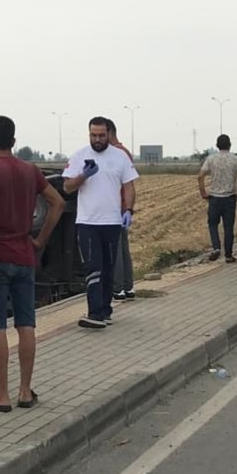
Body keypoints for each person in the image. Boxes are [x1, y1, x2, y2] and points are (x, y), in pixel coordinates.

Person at [0, 115, 65, 412]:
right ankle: (25, 391)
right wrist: (40, 240)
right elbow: (58, 203)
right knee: (26, 324)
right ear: (14, 140)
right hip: (24, 253)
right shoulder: (30, 170)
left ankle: (0, 394)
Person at [62, 117, 139, 329]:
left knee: (108, 266)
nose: (97, 139)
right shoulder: (79, 156)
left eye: (101, 135)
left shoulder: (119, 157)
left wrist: (129, 211)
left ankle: (105, 310)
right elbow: (67, 187)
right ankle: (94, 312)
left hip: (112, 222)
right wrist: (83, 176)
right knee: (93, 266)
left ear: (109, 134)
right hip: (87, 222)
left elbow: (129, 187)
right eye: (93, 135)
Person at [103, 118, 139, 301]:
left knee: (114, 250)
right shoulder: (125, 151)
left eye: (101, 135)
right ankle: (128, 286)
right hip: (123, 206)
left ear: (109, 133)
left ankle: (117, 288)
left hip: (115, 207)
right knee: (123, 249)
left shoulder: (115, 153)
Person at [198, 134, 237, 262]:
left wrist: (203, 192)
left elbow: (200, 176)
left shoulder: (211, 159)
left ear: (217, 145)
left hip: (214, 197)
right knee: (228, 227)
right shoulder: (236, 160)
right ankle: (229, 255)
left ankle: (216, 247)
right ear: (230, 145)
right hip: (230, 198)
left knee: (213, 224)